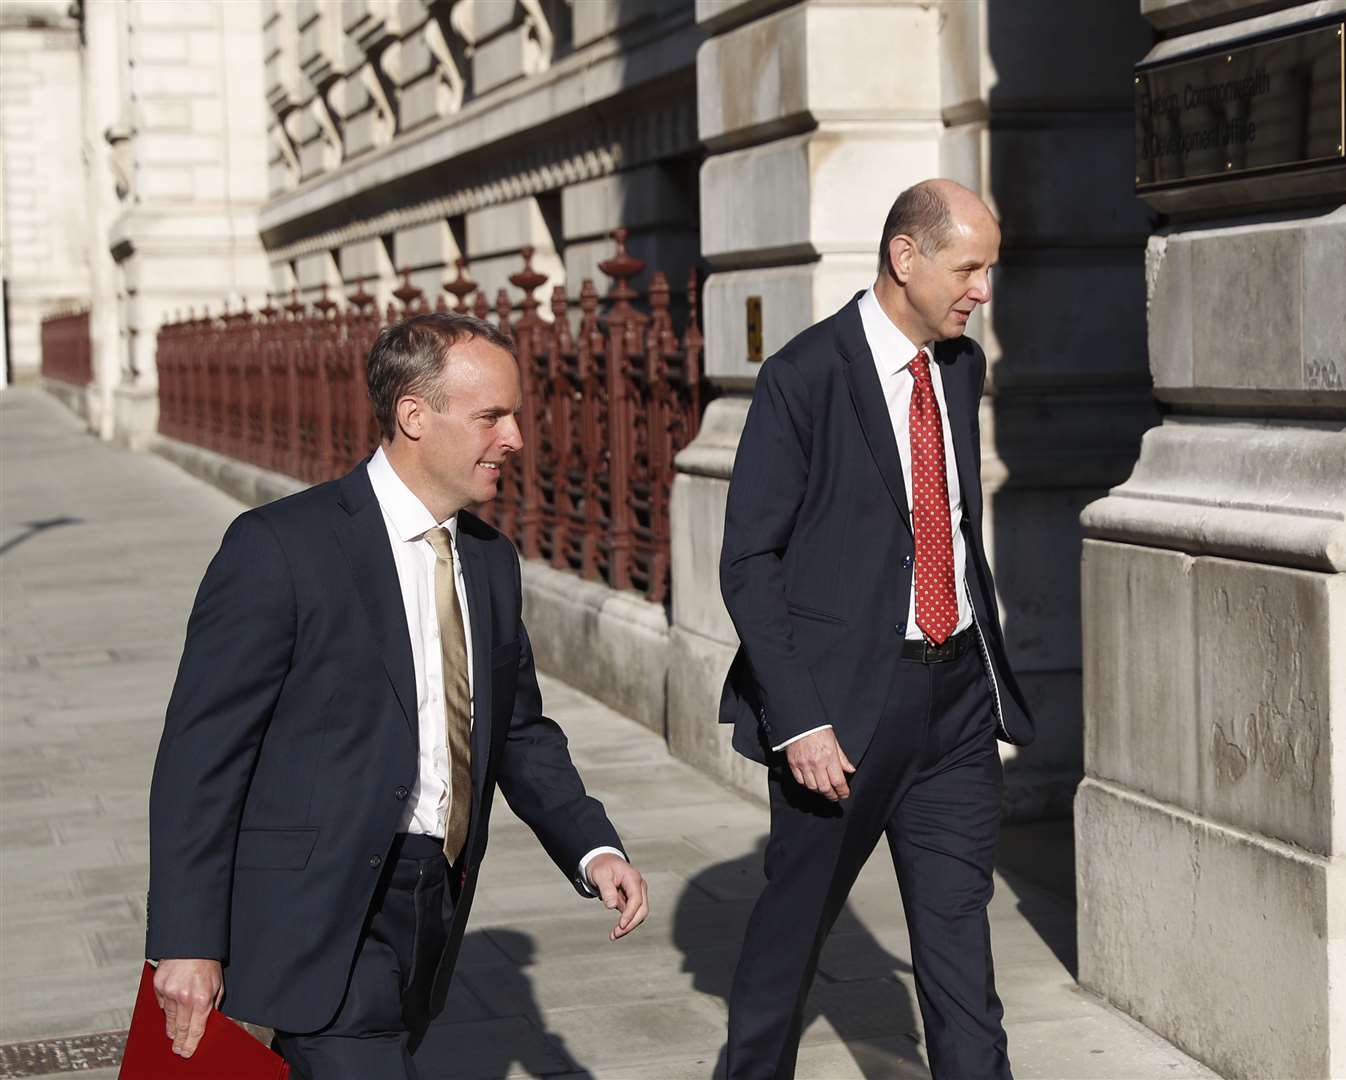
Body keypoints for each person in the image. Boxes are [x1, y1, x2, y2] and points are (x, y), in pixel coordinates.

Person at [146, 312, 648, 1079]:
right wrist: (186, 940)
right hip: (320, 915)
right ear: (414, 415)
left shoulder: (488, 560)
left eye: (514, 414)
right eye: (491, 416)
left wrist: (592, 845)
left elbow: (516, 731)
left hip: (429, 904)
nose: (514, 437)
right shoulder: (280, 546)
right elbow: (201, 757)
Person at [718, 179, 1034, 1079]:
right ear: (906, 257)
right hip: (844, 714)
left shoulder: (960, 366)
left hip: (957, 694)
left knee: (959, 950)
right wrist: (800, 719)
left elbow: (950, 524)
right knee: (790, 942)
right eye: (968, 268)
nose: (981, 289)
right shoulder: (803, 375)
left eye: (988, 271)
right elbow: (748, 562)